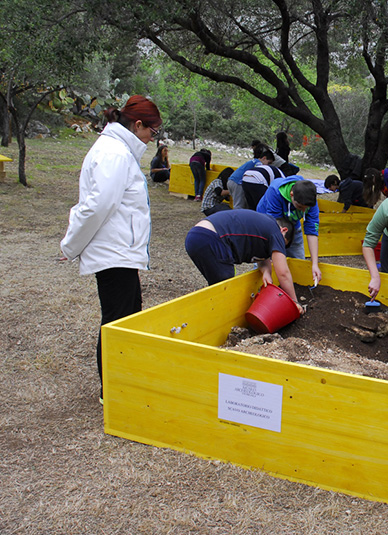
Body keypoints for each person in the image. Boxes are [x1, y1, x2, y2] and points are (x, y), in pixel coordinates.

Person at [59, 95, 162, 401]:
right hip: (113, 252)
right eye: (151, 132)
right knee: (116, 321)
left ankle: (125, 380)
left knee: (130, 318)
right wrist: (71, 245)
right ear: (138, 124)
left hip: (123, 251)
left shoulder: (119, 151)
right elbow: (96, 207)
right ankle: (113, 390)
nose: (151, 138)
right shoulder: (113, 154)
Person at [184, 210, 305, 316]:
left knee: (220, 285)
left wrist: (266, 271)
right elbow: (283, 273)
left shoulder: (264, 226)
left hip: (196, 236)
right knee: (225, 285)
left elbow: (263, 258)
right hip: (209, 237)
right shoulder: (275, 231)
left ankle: (213, 316)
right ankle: (215, 320)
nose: (277, 248)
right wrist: (294, 302)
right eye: (281, 244)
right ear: (283, 230)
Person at [256, 176, 323, 285]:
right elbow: (274, 228)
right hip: (268, 224)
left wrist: (314, 264)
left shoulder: (310, 200)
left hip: (292, 224)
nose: (304, 211)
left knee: (298, 259)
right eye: (300, 207)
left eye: (306, 208)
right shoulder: (275, 192)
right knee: (269, 260)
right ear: (291, 195)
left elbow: (312, 231)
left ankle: (294, 284)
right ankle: (264, 286)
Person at [241, 144, 285, 210]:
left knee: (252, 206)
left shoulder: (274, 172)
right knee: (262, 206)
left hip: (245, 178)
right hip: (258, 180)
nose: (269, 165)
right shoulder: (283, 180)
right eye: (269, 163)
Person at [227, 140, 263, 209]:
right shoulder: (258, 163)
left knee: (242, 205)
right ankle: (236, 219)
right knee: (239, 206)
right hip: (238, 182)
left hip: (232, 180)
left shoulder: (252, 161)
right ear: (264, 158)